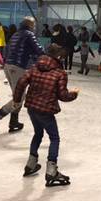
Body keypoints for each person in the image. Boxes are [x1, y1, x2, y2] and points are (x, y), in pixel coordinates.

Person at [14, 44, 79, 187]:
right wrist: (74, 94)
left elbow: (21, 82)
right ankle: (51, 171)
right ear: (59, 57)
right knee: (54, 138)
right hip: (46, 110)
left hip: (32, 108)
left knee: (38, 133)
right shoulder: (60, 73)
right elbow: (63, 96)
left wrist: (17, 100)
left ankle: (31, 164)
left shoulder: (35, 67)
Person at [0, 17, 44, 136]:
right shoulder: (29, 34)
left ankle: (14, 122)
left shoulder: (16, 34)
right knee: (19, 98)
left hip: (9, 66)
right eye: (34, 25)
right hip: (17, 67)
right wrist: (50, 57)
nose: (35, 27)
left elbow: (13, 49)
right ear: (30, 24)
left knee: (18, 96)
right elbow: (38, 50)